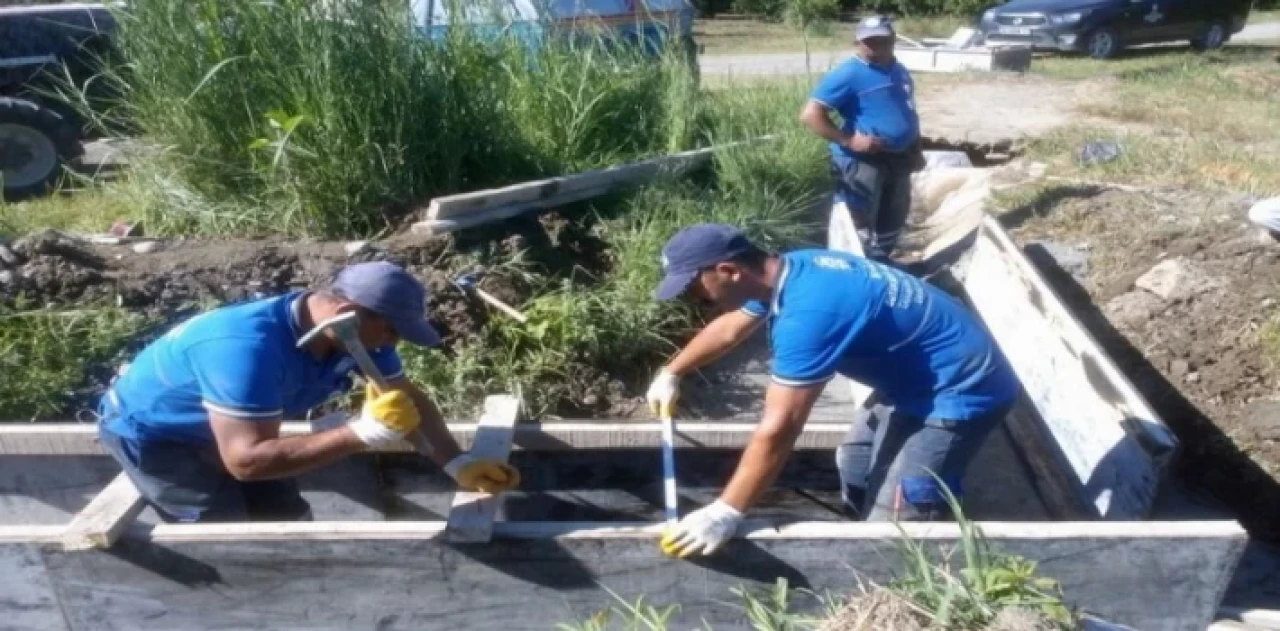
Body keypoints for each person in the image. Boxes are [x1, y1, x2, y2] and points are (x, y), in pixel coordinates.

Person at [647, 224, 1021, 558]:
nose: (698, 300)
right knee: (854, 460)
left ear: (729, 271)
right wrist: (672, 371)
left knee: (902, 518)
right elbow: (731, 328)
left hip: (960, 389)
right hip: (910, 377)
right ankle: (862, 534)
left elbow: (782, 425)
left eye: (697, 290)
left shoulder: (809, 316)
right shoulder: (789, 269)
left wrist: (726, 511)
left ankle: (901, 565)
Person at [95, 261, 521, 523]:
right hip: (158, 438)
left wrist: (457, 463)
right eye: (391, 331)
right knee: (222, 537)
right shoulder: (245, 349)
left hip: (235, 429)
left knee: (286, 519)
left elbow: (406, 399)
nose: (394, 343)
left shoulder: (352, 336)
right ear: (349, 313)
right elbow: (245, 461)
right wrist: (362, 434)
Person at [798, 14, 925, 263]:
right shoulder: (848, 74)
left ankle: (884, 262)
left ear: (893, 39)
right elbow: (811, 114)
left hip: (899, 158)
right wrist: (849, 140)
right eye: (869, 41)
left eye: (882, 40)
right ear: (858, 43)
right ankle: (856, 270)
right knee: (858, 221)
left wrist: (916, 149)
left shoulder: (898, 70)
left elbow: (909, 112)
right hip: (862, 162)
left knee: (893, 216)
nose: (875, 46)